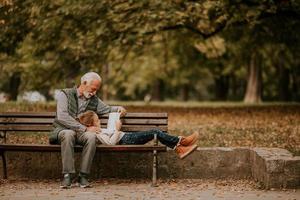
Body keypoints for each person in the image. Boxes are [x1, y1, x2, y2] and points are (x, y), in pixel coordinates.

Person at [49, 72, 126, 189]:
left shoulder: (94, 99)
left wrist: (119, 108)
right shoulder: (65, 94)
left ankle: (83, 176)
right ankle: (67, 175)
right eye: (93, 89)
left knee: (91, 137)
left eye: (96, 90)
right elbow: (62, 116)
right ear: (83, 83)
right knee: (69, 134)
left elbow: (107, 108)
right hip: (63, 130)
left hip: (81, 134)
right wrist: (85, 128)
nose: (94, 93)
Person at [78, 111, 199, 159]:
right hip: (125, 140)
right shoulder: (95, 134)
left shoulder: (96, 131)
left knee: (155, 132)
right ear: (90, 124)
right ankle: (181, 142)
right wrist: (117, 129)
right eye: (98, 121)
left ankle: (179, 148)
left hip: (126, 137)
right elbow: (111, 143)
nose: (99, 122)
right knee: (155, 131)